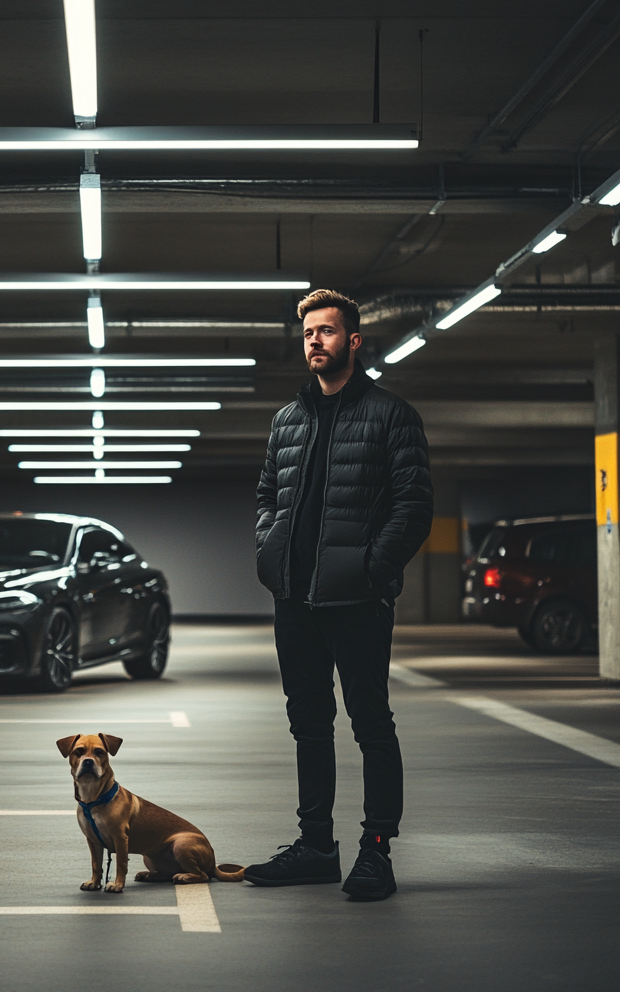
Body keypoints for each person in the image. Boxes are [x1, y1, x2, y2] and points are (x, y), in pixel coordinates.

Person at [244, 289, 433, 900]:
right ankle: (317, 846)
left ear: (353, 341)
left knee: (371, 724)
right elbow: (268, 497)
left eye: (326, 332)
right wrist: (270, 553)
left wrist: (373, 572)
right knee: (308, 724)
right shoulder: (287, 420)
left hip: (358, 601)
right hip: (294, 598)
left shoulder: (391, 415)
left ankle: (376, 851)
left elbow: (413, 507)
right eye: (307, 334)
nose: (314, 342)